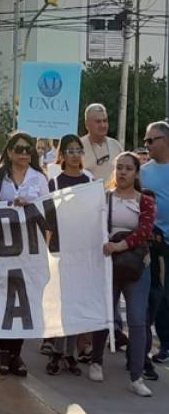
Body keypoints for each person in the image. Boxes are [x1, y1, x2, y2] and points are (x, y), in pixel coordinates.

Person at [0, 132, 49, 377]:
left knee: (24, 301)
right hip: (2, 249)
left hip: (29, 249)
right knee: (5, 300)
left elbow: (49, 212)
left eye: (28, 149)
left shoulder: (39, 179)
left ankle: (16, 353)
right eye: (19, 149)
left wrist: (31, 205)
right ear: (9, 152)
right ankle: (3, 351)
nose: (24, 153)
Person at [89, 152, 155, 397]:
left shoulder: (145, 201)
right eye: (119, 168)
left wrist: (119, 245)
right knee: (104, 315)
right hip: (108, 265)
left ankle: (136, 376)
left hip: (136, 266)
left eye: (128, 168)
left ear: (137, 173)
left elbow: (144, 232)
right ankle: (96, 361)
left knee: (138, 320)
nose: (123, 172)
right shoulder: (104, 199)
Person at [42, 134, 93, 376]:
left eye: (78, 150)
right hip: (59, 248)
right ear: (62, 155)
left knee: (74, 302)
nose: (74, 154)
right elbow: (49, 220)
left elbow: (94, 216)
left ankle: (71, 353)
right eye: (69, 150)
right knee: (59, 301)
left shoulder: (89, 180)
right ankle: (56, 352)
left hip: (81, 249)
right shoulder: (54, 182)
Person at [141, 121, 169, 364]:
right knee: (158, 296)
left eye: (151, 140)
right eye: (145, 141)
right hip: (155, 242)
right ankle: (163, 344)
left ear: (165, 140)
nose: (146, 145)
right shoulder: (144, 172)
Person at [81, 103, 123, 184]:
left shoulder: (116, 146)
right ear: (87, 124)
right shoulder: (78, 147)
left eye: (105, 121)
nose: (103, 125)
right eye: (98, 121)